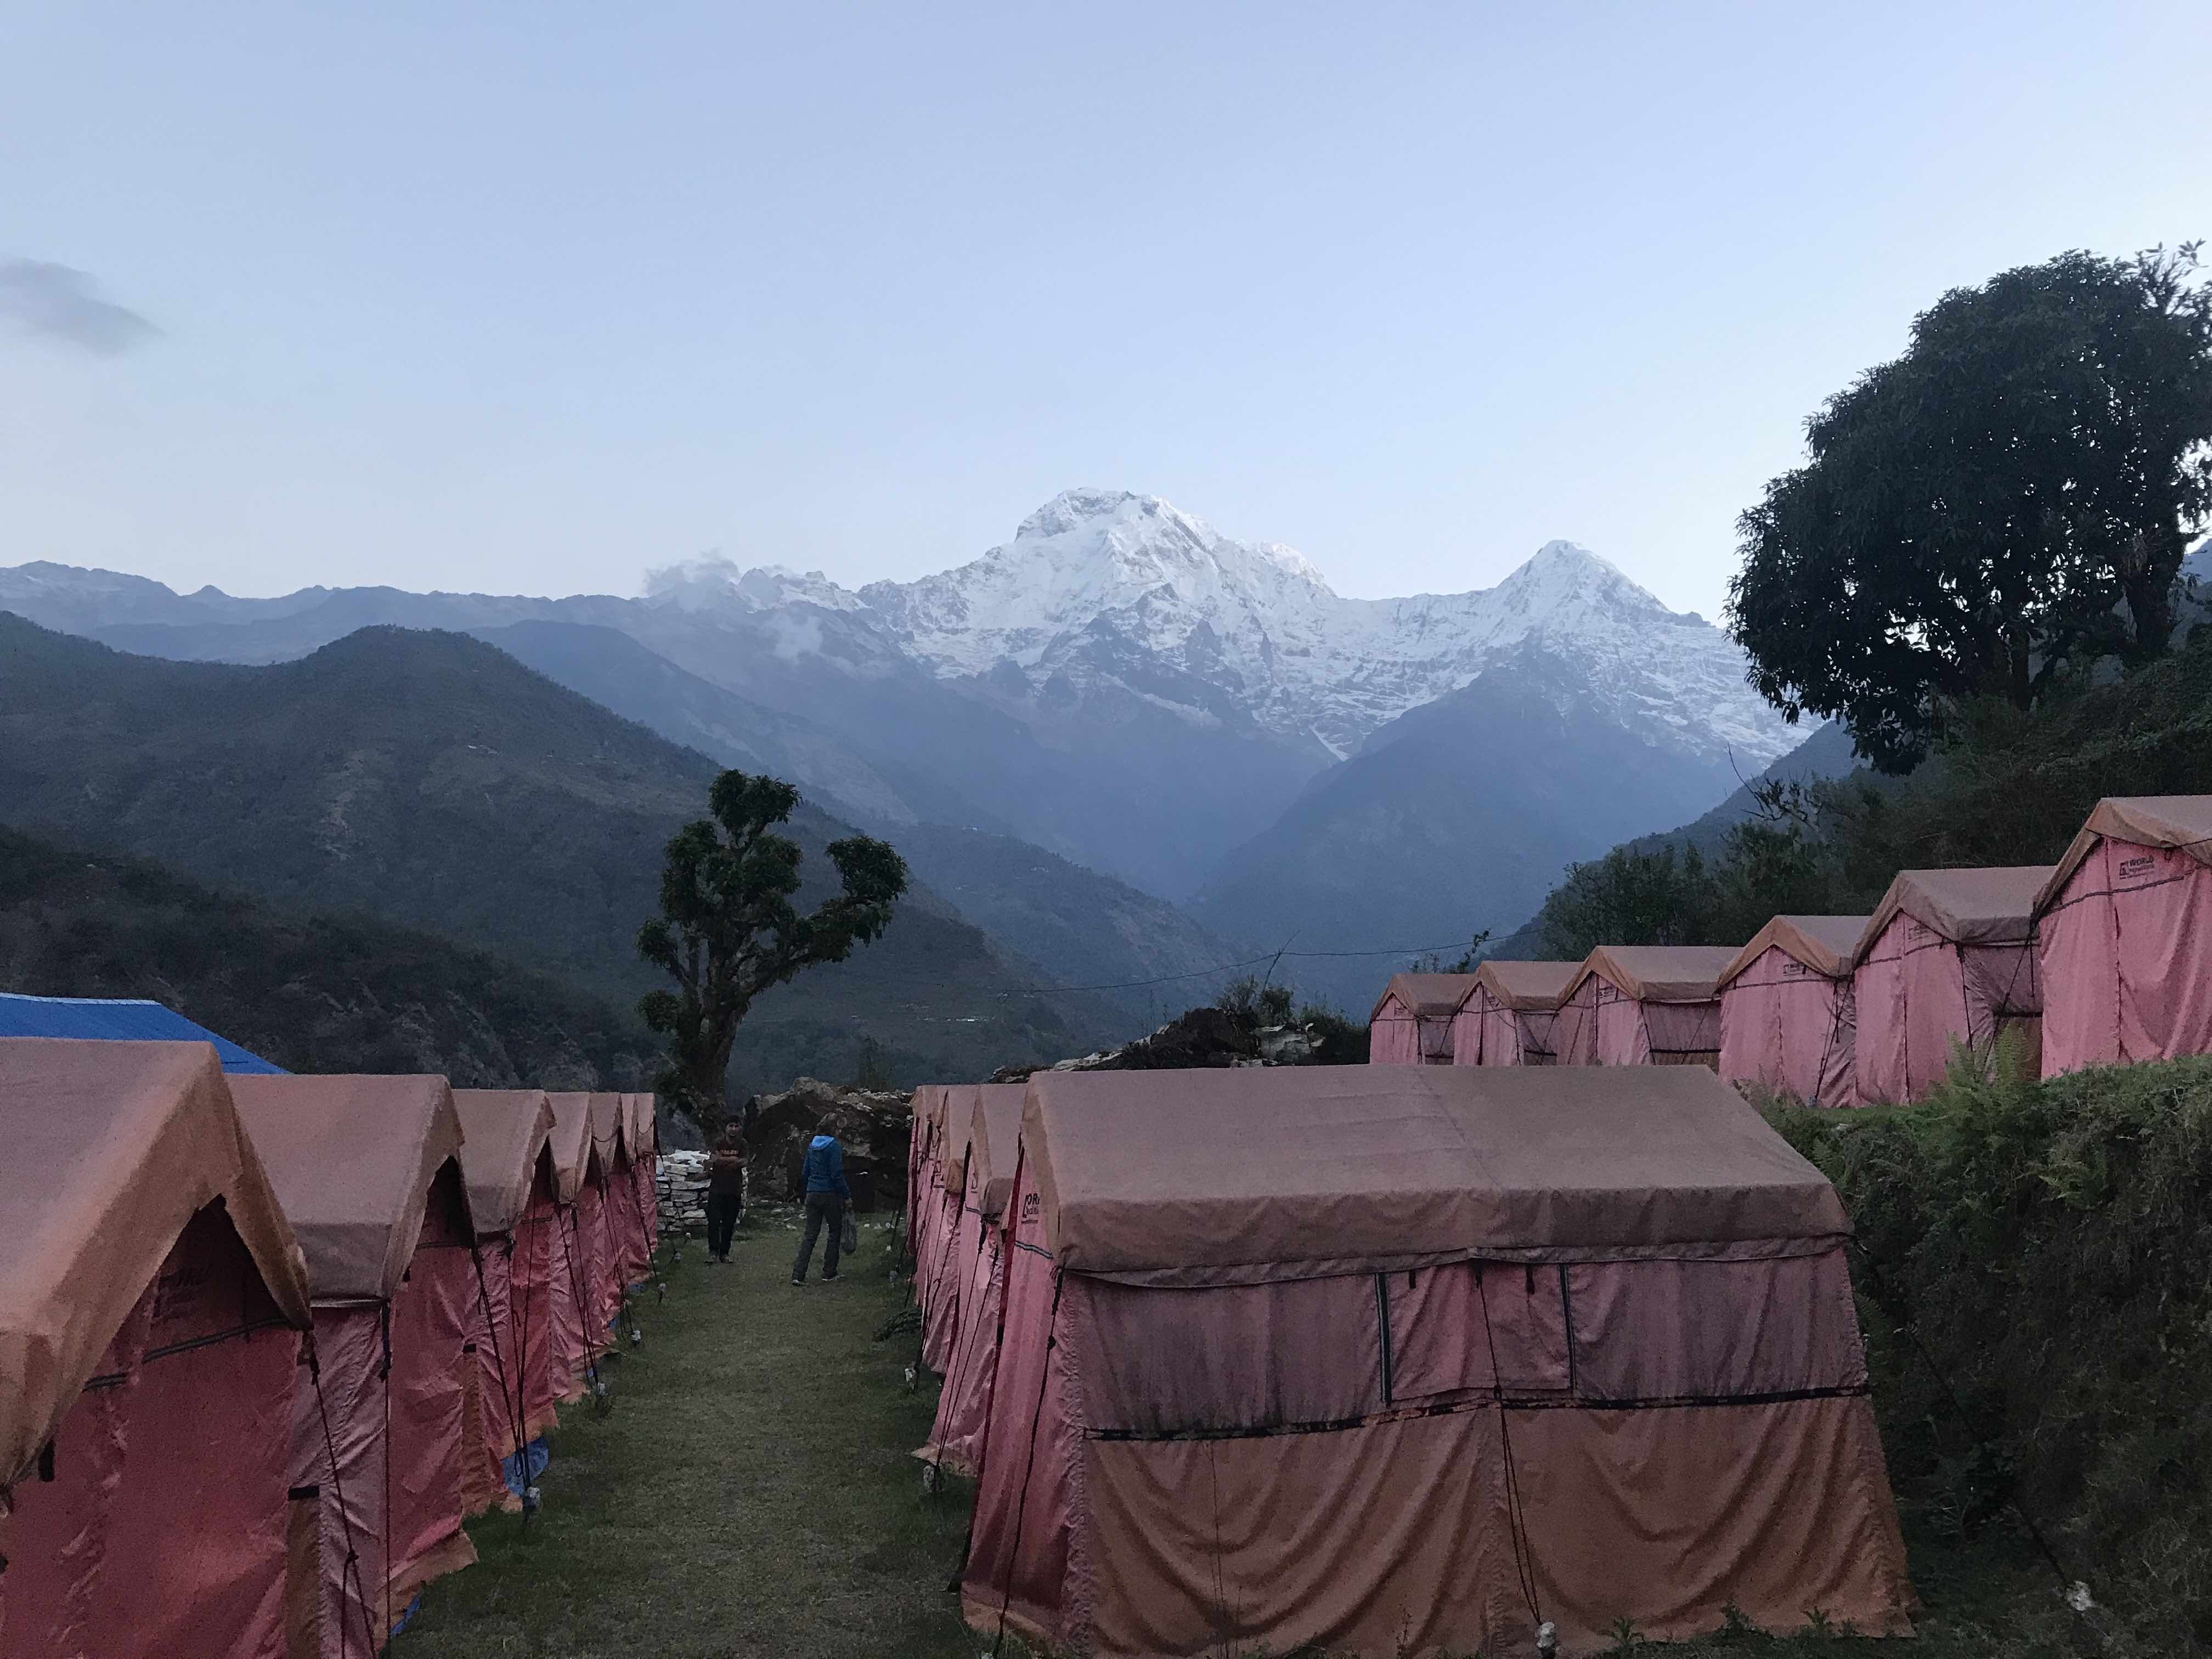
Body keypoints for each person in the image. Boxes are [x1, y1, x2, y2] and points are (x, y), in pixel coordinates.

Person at [792, 1130, 851, 1285]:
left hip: (812, 1192)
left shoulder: (812, 1146)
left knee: (810, 1234)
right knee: (835, 1231)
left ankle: (798, 1274)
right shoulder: (834, 1147)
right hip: (829, 1194)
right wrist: (846, 1195)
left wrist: (805, 1191)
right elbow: (836, 1174)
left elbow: (805, 1172)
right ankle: (829, 1272)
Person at [705, 1123, 746, 1264]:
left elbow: (744, 1161)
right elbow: (713, 1160)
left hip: (734, 1189)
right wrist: (733, 1160)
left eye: (736, 1126)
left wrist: (723, 1160)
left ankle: (725, 1253)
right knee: (714, 1222)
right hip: (717, 1189)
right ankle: (713, 1252)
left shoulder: (742, 1143)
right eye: (730, 1126)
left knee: (729, 1224)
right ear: (726, 1128)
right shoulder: (718, 1142)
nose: (733, 1129)